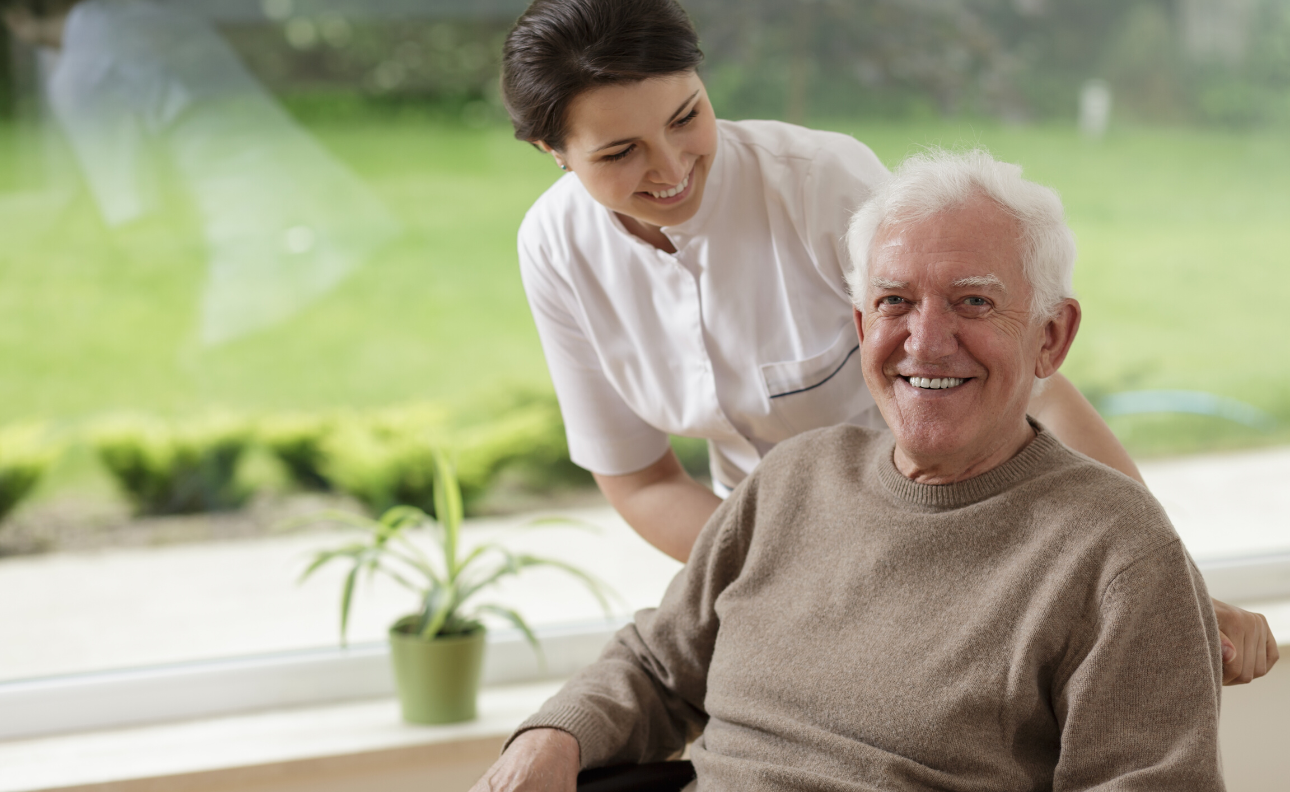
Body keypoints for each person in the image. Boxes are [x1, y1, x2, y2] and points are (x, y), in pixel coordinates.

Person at [499, 0, 1276, 683]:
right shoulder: (556, 249)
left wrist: (1174, 591)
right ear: (552, 153)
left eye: (685, 118)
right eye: (618, 152)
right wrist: (785, 574)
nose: (671, 168)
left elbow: (1028, 384)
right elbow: (640, 480)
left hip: (967, 522)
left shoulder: (816, 183)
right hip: (775, 557)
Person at [472, 148, 1229, 792]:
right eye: (896, 301)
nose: (927, 342)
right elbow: (658, 664)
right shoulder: (794, 479)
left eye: (972, 302)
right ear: (862, 325)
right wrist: (552, 737)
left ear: (1051, 337)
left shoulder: (1117, 556)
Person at [2, 0, 399, 345]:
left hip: (262, 261)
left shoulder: (81, 72)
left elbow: (141, 227)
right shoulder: (161, 20)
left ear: (16, 16)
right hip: (346, 221)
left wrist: (171, 340)